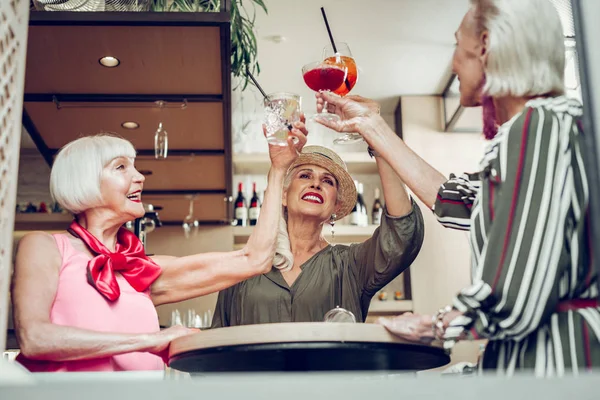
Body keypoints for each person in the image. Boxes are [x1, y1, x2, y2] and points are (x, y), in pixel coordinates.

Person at [315, 0, 598, 376]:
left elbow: (512, 292)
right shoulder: (554, 126)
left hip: (558, 368)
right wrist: (371, 125)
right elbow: (456, 201)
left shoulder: (539, 127)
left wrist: (434, 324)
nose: (452, 63)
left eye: (456, 45)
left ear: (484, 46)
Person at [11, 123, 307, 373]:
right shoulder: (44, 246)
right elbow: (35, 338)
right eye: (121, 167)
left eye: (135, 167)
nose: (139, 176)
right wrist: (149, 340)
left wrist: (278, 170)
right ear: (84, 179)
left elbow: (253, 260)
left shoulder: (141, 271)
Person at [212, 145, 424, 327]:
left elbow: (401, 235)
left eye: (328, 181)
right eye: (305, 175)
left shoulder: (351, 265)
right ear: (283, 195)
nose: (316, 184)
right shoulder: (243, 266)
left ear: (336, 206)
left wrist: (378, 144)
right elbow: (216, 346)